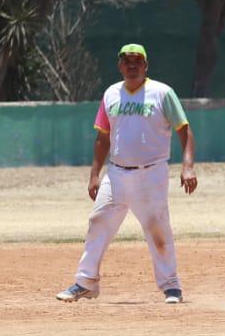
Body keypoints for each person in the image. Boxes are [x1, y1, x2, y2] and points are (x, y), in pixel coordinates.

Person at [55, 43, 197, 304]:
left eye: (137, 61)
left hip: (151, 173)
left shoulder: (162, 93)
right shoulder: (111, 94)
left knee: (158, 229)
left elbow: (184, 130)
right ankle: (85, 282)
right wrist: (94, 174)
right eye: (127, 60)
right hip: (116, 174)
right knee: (98, 224)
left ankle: (171, 286)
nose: (132, 65)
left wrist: (187, 166)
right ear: (120, 65)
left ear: (146, 65)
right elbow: (103, 137)